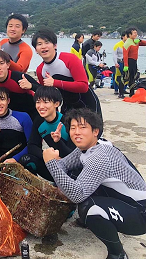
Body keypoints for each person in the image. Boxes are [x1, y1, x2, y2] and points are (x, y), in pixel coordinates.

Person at [44, 108, 146, 259]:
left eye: (83, 127)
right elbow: (65, 166)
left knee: (89, 208)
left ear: (95, 131)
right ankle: (95, 221)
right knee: (74, 175)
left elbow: (77, 194)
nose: (76, 132)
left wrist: (51, 163)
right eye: (73, 128)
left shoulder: (100, 157)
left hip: (139, 213)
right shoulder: (88, 147)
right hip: (123, 201)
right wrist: (55, 163)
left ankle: (117, 254)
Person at [9, 86, 75, 182]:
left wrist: (59, 143)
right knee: (26, 160)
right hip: (52, 165)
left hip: (69, 167)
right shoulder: (39, 121)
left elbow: (74, 156)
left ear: (56, 103)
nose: (41, 106)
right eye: (38, 102)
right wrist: (47, 156)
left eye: (46, 102)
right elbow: (32, 146)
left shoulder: (67, 122)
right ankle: (36, 188)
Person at [32, 28, 102, 117]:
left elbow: (83, 86)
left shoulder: (69, 59)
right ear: (36, 50)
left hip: (87, 102)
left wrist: (55, 82)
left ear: (55, 45)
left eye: (47, 42)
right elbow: (49, 96)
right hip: (67, 105)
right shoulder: (40, 70)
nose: (43, 46)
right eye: (39, 44)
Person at [0, 50, 39, 120]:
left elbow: (44, 91)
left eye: (1, 63)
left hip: (30, 114)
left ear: (8, 65)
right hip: (6, 116)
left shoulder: (19, 77)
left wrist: (31, 86)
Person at [0, 87, 32, 164]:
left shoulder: (23, 117)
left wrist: (15, 159)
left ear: (8, 101)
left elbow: (32, 144)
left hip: (20, 159)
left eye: (2, 99)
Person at [123, 27, 146, 92]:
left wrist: (140, 41)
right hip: (129, 61)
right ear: (129, 35)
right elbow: (125, 55)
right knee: (126, 78)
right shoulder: (127, 43)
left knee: (134, 77)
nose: (136, 34)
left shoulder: (135, 41)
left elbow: (145, 43)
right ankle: (121, 93)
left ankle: (132, 92)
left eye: (136, 32)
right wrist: (126, 65)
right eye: (134, 33)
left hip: (134, 61)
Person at [112, 32, 127, 97]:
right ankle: (116, 89)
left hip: (126, 62)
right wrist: (116, 63)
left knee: (126, 76)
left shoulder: (128, 44)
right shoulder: (117, 45)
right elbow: (114, 54)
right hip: (119, 61)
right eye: (127, 36)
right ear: (123, 36)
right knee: (118, 76)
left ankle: (124, 89)